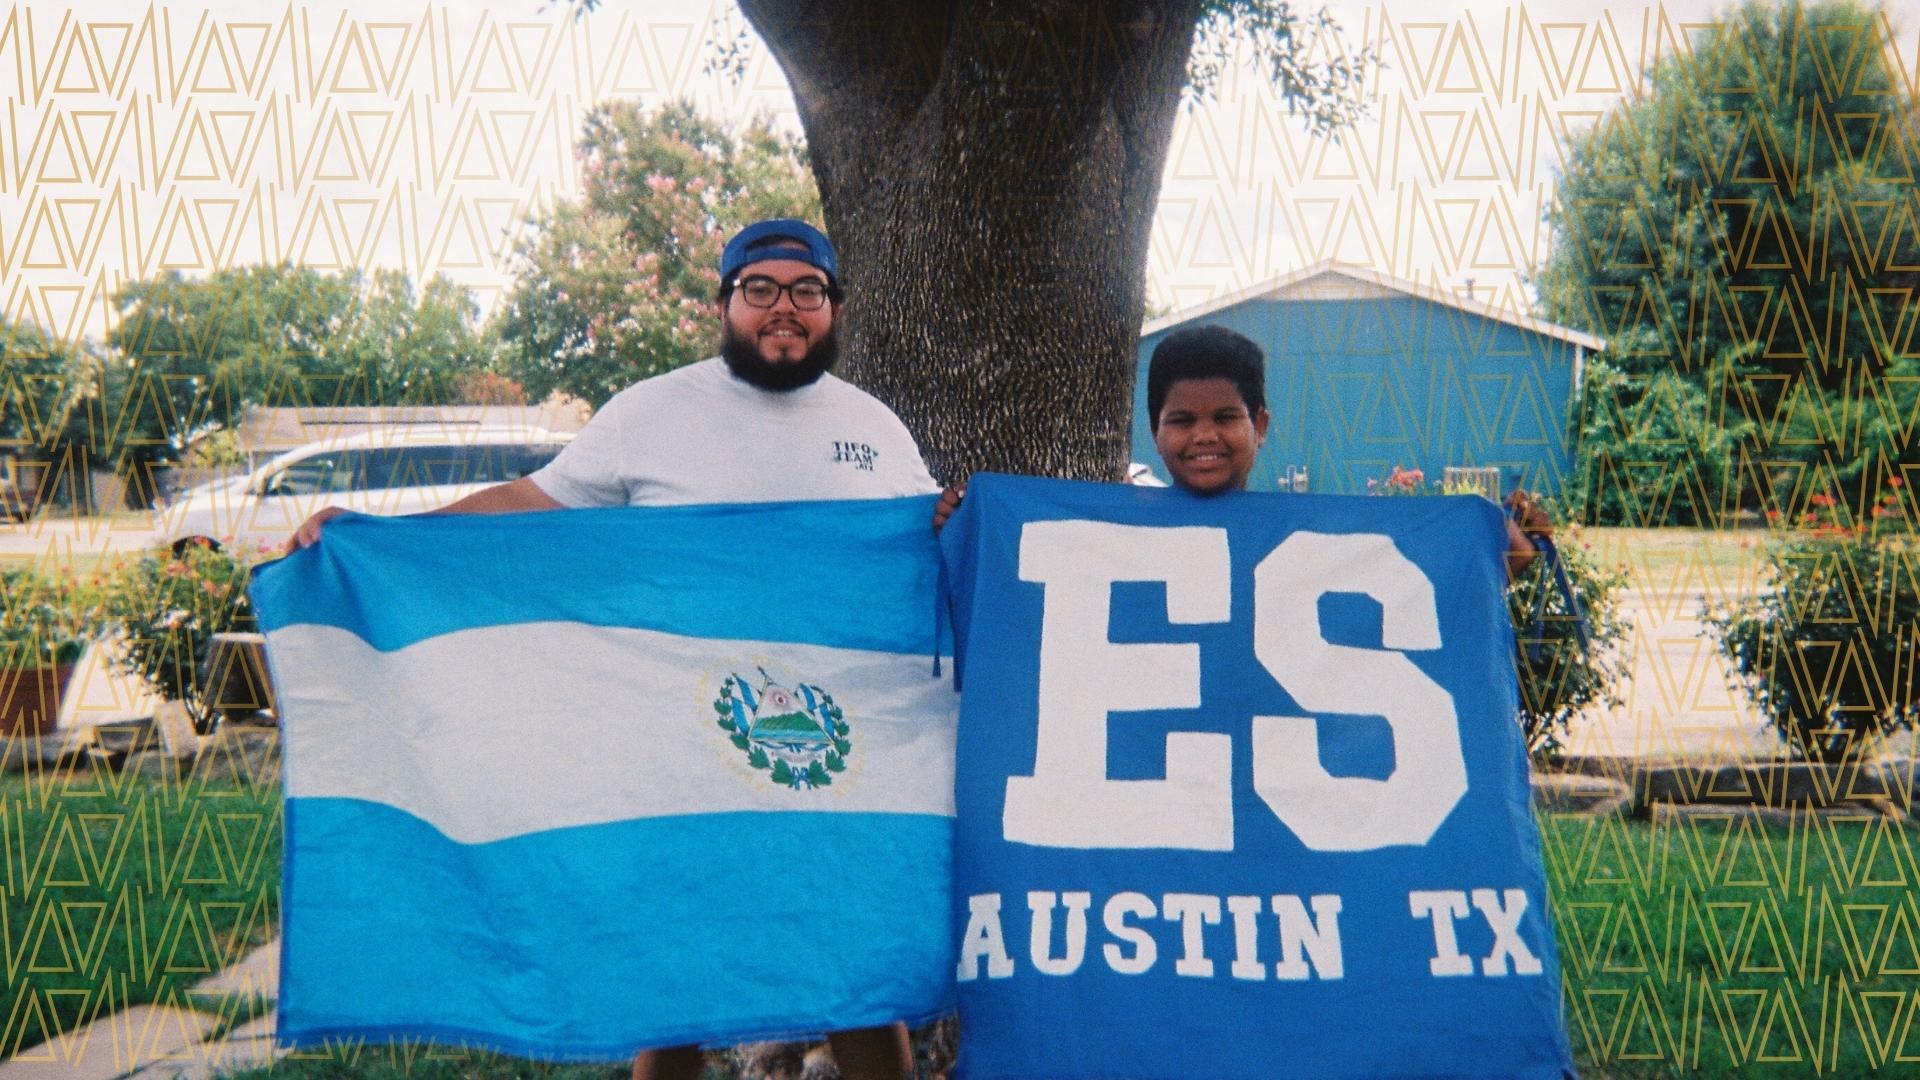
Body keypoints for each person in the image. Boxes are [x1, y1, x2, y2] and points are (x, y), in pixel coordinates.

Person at [291, 219, 928, 1080]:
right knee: (672, 980)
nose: (785, 309)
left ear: (834, 307)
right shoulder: (654, 412)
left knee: (856, 969)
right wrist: (387, 535)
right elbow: (535, 502)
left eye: (806, 291)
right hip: (682, 740)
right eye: (761, 290)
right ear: (725, 302)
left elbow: (927, 546)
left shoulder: (875, 425)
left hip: (829, 750)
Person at [931, 324, 1550, 578]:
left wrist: (1507, 537)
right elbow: (1014, 580)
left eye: (1226, 418)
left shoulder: (1307, 540)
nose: (1204, 436)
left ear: (1261, 425)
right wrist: (962, 527)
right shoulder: (1115, 533)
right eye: (1182, 420)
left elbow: (1454, 573)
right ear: (1154, 432)